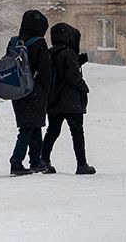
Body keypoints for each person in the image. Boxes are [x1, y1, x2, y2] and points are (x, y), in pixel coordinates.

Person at [42, 21, 96, 175]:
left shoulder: (51, 51)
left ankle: (44, 159)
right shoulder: (68, 53)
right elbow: (71, 75)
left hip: (54, 100)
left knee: (52, 131)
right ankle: (82, 164)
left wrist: (79, 61)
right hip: (71, 101)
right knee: (77, 133)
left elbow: (59, 69)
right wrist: (83, 87)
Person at [9, 9, 52, 175]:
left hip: (17, 90)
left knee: (33, 125)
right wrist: (45, 91)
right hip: (34, 91)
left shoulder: (14, 42)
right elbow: (45, 70)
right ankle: (16, 162)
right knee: (28, 128)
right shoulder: (39, 42)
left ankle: (35, 161)